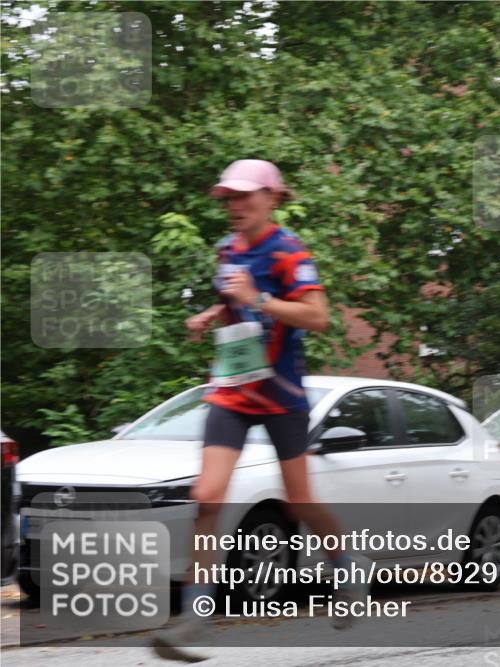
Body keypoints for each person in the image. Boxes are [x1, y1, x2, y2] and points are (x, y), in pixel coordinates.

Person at [152, 160, 367, 662]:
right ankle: (195, 617)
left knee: (298, 503)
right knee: (207, 497)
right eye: (227, 198)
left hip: (280, 396)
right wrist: (211, 314)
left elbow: (319, 317)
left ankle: (346, 567)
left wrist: (261, 298)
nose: (234, 206)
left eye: (245, 196)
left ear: (272, 198)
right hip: (231, 390)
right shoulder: (227, 249)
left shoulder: (291, 253)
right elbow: (233, 302)